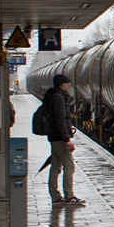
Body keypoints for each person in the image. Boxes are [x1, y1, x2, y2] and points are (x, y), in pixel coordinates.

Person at [42, 74, 84, 206]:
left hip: (54, 137)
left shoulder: (53, 97)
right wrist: (67, 140)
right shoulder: (59, 99)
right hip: (59, 138)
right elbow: (60, 121)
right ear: (61, 85)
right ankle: (69, 196)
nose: (69, 85)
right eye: (67, 83)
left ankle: (55, 196)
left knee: (55, 167)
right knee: (69, 166)